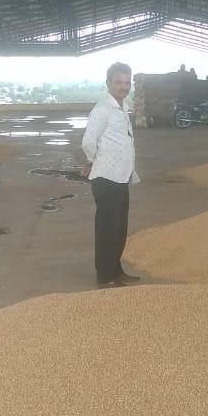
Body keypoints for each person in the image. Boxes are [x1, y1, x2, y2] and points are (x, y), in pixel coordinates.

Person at [82, 62, 140, 288]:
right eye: (119, 82)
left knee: (119, 228)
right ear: (109, 83)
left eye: (127, 83)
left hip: (121, 176)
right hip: (106, 177)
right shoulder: (103, 109)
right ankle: (105, 276)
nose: (123, 87)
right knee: (107, 229)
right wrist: (93, 160)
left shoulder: (122, 108)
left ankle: (116, 270)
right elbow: (88, 141)